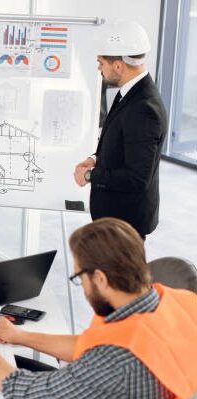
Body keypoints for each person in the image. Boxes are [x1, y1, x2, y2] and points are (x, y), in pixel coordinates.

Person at [0, 217, 197, 399]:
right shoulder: (178, 301)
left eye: (79, 277)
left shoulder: (113, 363)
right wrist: (20, 337)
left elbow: (27, 396)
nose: (82, 286)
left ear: (100, 279)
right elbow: (92, 344)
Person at [74, 20, 168, 240]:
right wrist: (95, 159)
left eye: (101, 63)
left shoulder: (143, 108)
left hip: (124, 222)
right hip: (117, 218)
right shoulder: (131, 91)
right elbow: (122, 144)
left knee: (118, 275)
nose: (99, 69)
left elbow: (137, 177)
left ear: (118, 66)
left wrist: (90, 175)